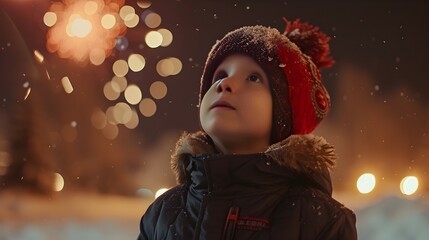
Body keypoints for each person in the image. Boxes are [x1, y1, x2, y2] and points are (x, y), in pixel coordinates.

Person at [138, 18, 357, 240]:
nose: (225, 84)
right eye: (220, 75)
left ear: (285, 112)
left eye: (254, 78)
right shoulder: (163, 214)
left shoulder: (321, 220)